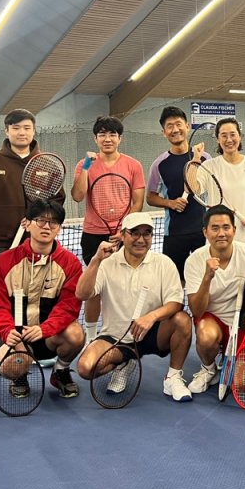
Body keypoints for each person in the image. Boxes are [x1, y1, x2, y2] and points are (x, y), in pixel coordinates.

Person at [74, 212, 194, 402]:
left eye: (147, 233)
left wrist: (151, 317)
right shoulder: (106, 263)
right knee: (86, 368)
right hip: (116, 337)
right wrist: (96, 260)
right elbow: (82, 294)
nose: (141, 239)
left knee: (182, 320)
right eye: (134, 233)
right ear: (122, 235)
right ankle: (124, 361)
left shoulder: (164, 263)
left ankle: (173, 378)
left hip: (153, 334)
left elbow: (176, 302)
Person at [0, 199, 85, 399]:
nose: (47, 226)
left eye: (53, 222)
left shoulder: (71, 263)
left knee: (75, 335)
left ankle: (60, 371)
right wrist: (7, 331)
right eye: (40, 220)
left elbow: (68, 307)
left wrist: (45, 329)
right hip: (16, 337)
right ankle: (19, 376)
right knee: (10, 366)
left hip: (49, 336)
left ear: (59, 229)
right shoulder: (4, 262)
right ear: (27, 224)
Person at [71, 115, 145, 340]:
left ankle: (123, 332)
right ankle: (92, 337)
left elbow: (138, 202)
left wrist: (125, 231)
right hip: (93, 234)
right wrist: (86, 167)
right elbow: (77, 196)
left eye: (112, 134)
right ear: (95, 138)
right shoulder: (84, 164)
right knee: (94, 288)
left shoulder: (133, 165)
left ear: (120, 138)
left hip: (125, 236)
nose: (107, 139)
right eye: (102, 134)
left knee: (124, 286)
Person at [0, 108, 65, 272]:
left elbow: (57, 201)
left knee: (38, 288)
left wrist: (37, 218)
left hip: (38, 243)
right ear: (7, 131)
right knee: (1, 288)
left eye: (26, 128)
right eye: (16, 128)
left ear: (34, 130)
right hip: (0, 243)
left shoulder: (47, 164)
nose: (21, 132)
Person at [184, 205, 245, 393]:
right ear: (205, 232)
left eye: (226, 227)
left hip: (240, 323)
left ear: (234, 230)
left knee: (242, 384)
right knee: (206, 336)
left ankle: (228, 355)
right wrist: (207, 277)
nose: (221, 233)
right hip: (211, 320)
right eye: (215, 228)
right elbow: (196, 310)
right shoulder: (194, 261)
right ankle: (209, 369)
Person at [146, 106, 204, 280]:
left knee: (205, 280)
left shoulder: (204, 158)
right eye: (169, 126)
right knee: (175, 283)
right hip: (174, 234)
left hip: (204, 231)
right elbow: (150, 197)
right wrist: (170, 203)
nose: (175, 129)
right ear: (164, 132)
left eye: (179, 124)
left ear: (187, 126)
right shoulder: (159, 164)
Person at [199, 117, 245, 249]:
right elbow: (193, 189)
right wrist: (195, 160)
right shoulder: (208, 166)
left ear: (240, 136)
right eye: (224, 135)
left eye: (233, 134)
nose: (229, 140)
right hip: (218, 240)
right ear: (217, 139)